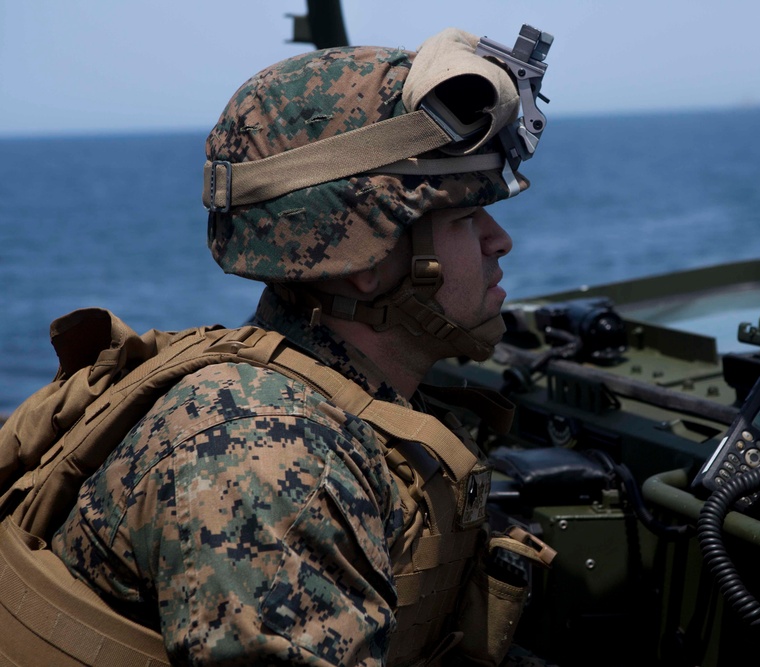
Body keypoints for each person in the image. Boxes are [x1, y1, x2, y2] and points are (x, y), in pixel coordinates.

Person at [49, 25, 555, 666]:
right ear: (363, 261)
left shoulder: (351, 403)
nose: (499, 240)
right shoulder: (269, 454)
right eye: (463, 218)